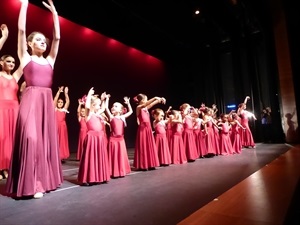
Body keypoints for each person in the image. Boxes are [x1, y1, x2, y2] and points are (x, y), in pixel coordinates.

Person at [6, 0, 63, 199]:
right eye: (38, 40)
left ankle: (43, 182)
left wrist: (55, 14)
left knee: (44, 141)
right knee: (30, 138)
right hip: (30, 100)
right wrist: (24, 5)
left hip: (46, 102)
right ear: (30, 44)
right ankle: (33, 183)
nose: (43, 42)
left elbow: (57, 37)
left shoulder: (50, 60)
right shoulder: (25, 58)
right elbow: (21, 30)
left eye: (43, 41)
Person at [77, 88, 110, 185]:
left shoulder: (97, 114)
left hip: (99, 137)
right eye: (98, 105)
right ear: (92, 105)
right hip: (92, 138)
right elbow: (87, 106)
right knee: (91, 157)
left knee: (99, 157)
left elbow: (104, 109)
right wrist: (89, 95)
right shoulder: (89, 114)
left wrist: (104, 100)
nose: (99, 107)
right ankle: (89, 177)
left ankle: (100, 176)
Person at [0, 54, 23, 180]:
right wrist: (3, 38)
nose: (11, 64)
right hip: (1, 109)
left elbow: (23, 63)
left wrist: (25, 48)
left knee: (13, 138)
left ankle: (10, 166)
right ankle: (1, 167)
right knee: (2, 138)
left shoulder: (15, 76)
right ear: (1, 62)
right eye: (8, 61)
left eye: (13, 62)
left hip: (14, 109)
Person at [133, 93, 165, 171]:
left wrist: (160, 99)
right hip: (143, 129)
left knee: (149, 145)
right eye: (145, 99)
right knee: (143, 146)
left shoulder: (145, 108)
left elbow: (152, 104)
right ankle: (143, 164)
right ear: (142, 100)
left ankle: (151, 163)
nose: (147, 101)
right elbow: (146, 104)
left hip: (148, 129)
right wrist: (155, 97)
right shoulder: (139, 107)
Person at [104, 94, 133, 178]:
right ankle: (113, 171)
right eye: (113, 106)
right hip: (113, 140)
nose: (113, 107)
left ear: (121, 110)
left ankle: (121, 170)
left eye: (116, 106)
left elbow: (131, 111)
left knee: (120, 156)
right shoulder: (111, 117)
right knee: (113, 156)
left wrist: (128, 103)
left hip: (121, 140)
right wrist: (107, 99)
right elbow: (106, 107)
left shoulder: (122, 117)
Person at [53, 86, 70, 162]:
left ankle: (61, 156)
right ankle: (55, 155)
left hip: (63, 127)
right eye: (59, 102)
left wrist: (66, 94)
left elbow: (68, 101)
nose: (60, 103)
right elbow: (55, 99)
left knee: (62, 141)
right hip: (56, 126)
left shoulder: (64, 110)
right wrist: (59, 92)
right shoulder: (55, 109)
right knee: (56, 140)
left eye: (61, 102)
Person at [76, 96, 87, 161]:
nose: (83, 112)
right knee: (82, 143)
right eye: (82, 111)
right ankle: (82, 155)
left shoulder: (87, 118)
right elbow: (78, 112)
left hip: (87, 132)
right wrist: (80, 105)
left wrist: (85, 104)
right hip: (82, 132)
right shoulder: (80, 118)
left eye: (84, 111)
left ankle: (86, 155)